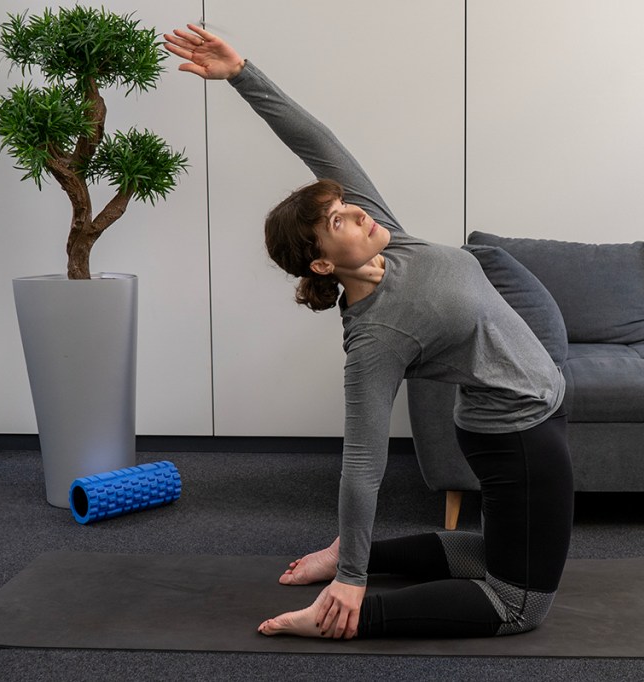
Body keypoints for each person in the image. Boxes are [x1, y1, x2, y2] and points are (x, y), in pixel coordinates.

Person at [164, 24, 574, 640]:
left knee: (489, 553)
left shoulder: (390, 240)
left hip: (531, 414)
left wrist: (242, 73)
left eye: (348, 205)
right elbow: (362, 465)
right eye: (339, 220)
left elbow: (318, 143)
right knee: (518, 606)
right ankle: (345, 616)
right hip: (517, 434)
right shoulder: (375, 338)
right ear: (324, 263)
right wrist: (352, 578)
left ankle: (349, 561)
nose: (358, 211)